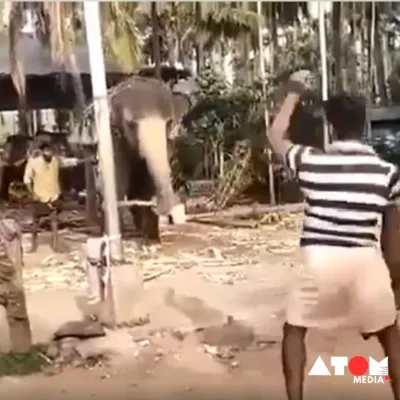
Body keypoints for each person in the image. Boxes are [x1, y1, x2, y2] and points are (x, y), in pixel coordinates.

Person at [266, 70, 400, 400]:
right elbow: (393, 242)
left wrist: (295, 92)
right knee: (391, 338)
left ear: (331, 126)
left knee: (294, 331)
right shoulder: (387, 174)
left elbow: (274, 135)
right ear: (364, 125)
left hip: (318, 260)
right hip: (364, 262)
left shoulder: (311, 162)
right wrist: (395, 284)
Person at [23, 139, 82, 253]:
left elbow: (68, 162)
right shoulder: (33, 162)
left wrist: (85, 160)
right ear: (42, 151)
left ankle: (56, 246)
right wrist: (33, 194)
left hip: (53, 195)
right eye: (47, 150)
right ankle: (33, 246)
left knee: (54, 222)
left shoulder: (55, 161)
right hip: (39, 196)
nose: (49, 153)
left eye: (51, 150)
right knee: (35, 223)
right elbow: (27, 180)